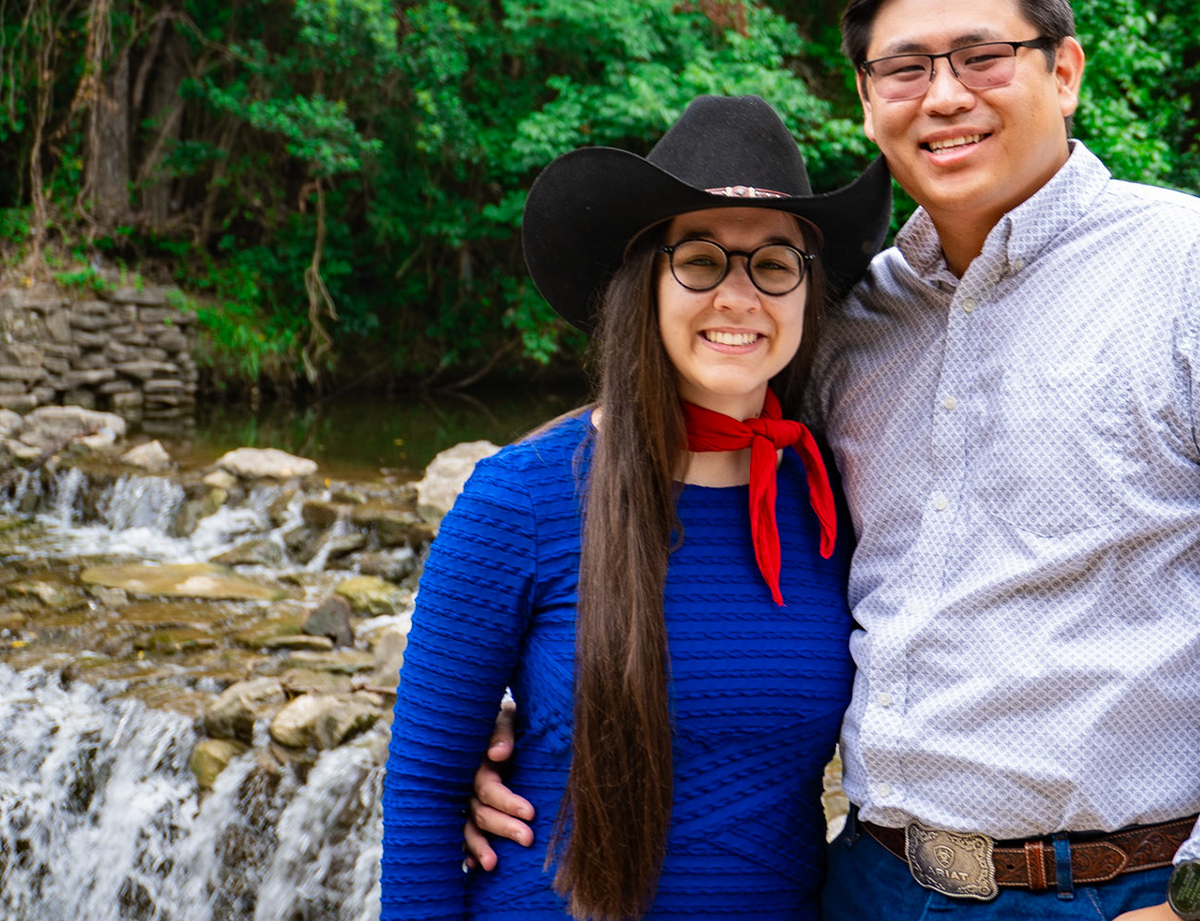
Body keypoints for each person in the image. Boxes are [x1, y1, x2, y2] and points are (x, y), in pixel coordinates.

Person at [468, 0, 1200, 921]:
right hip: (869, 882)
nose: (945, 95)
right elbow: (677, 453)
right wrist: (524, 691)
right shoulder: (848, 323)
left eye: (982, 57)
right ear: (868, 102)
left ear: (1065, 71)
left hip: (1114, 888)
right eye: (905, 69)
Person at [380, 94, 893, 920]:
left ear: (808, 293)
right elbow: (423, 794)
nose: (738, 296)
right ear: (645, 281)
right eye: (700, 259)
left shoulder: (836, 499)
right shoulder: (520, 499)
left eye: (774, 263)